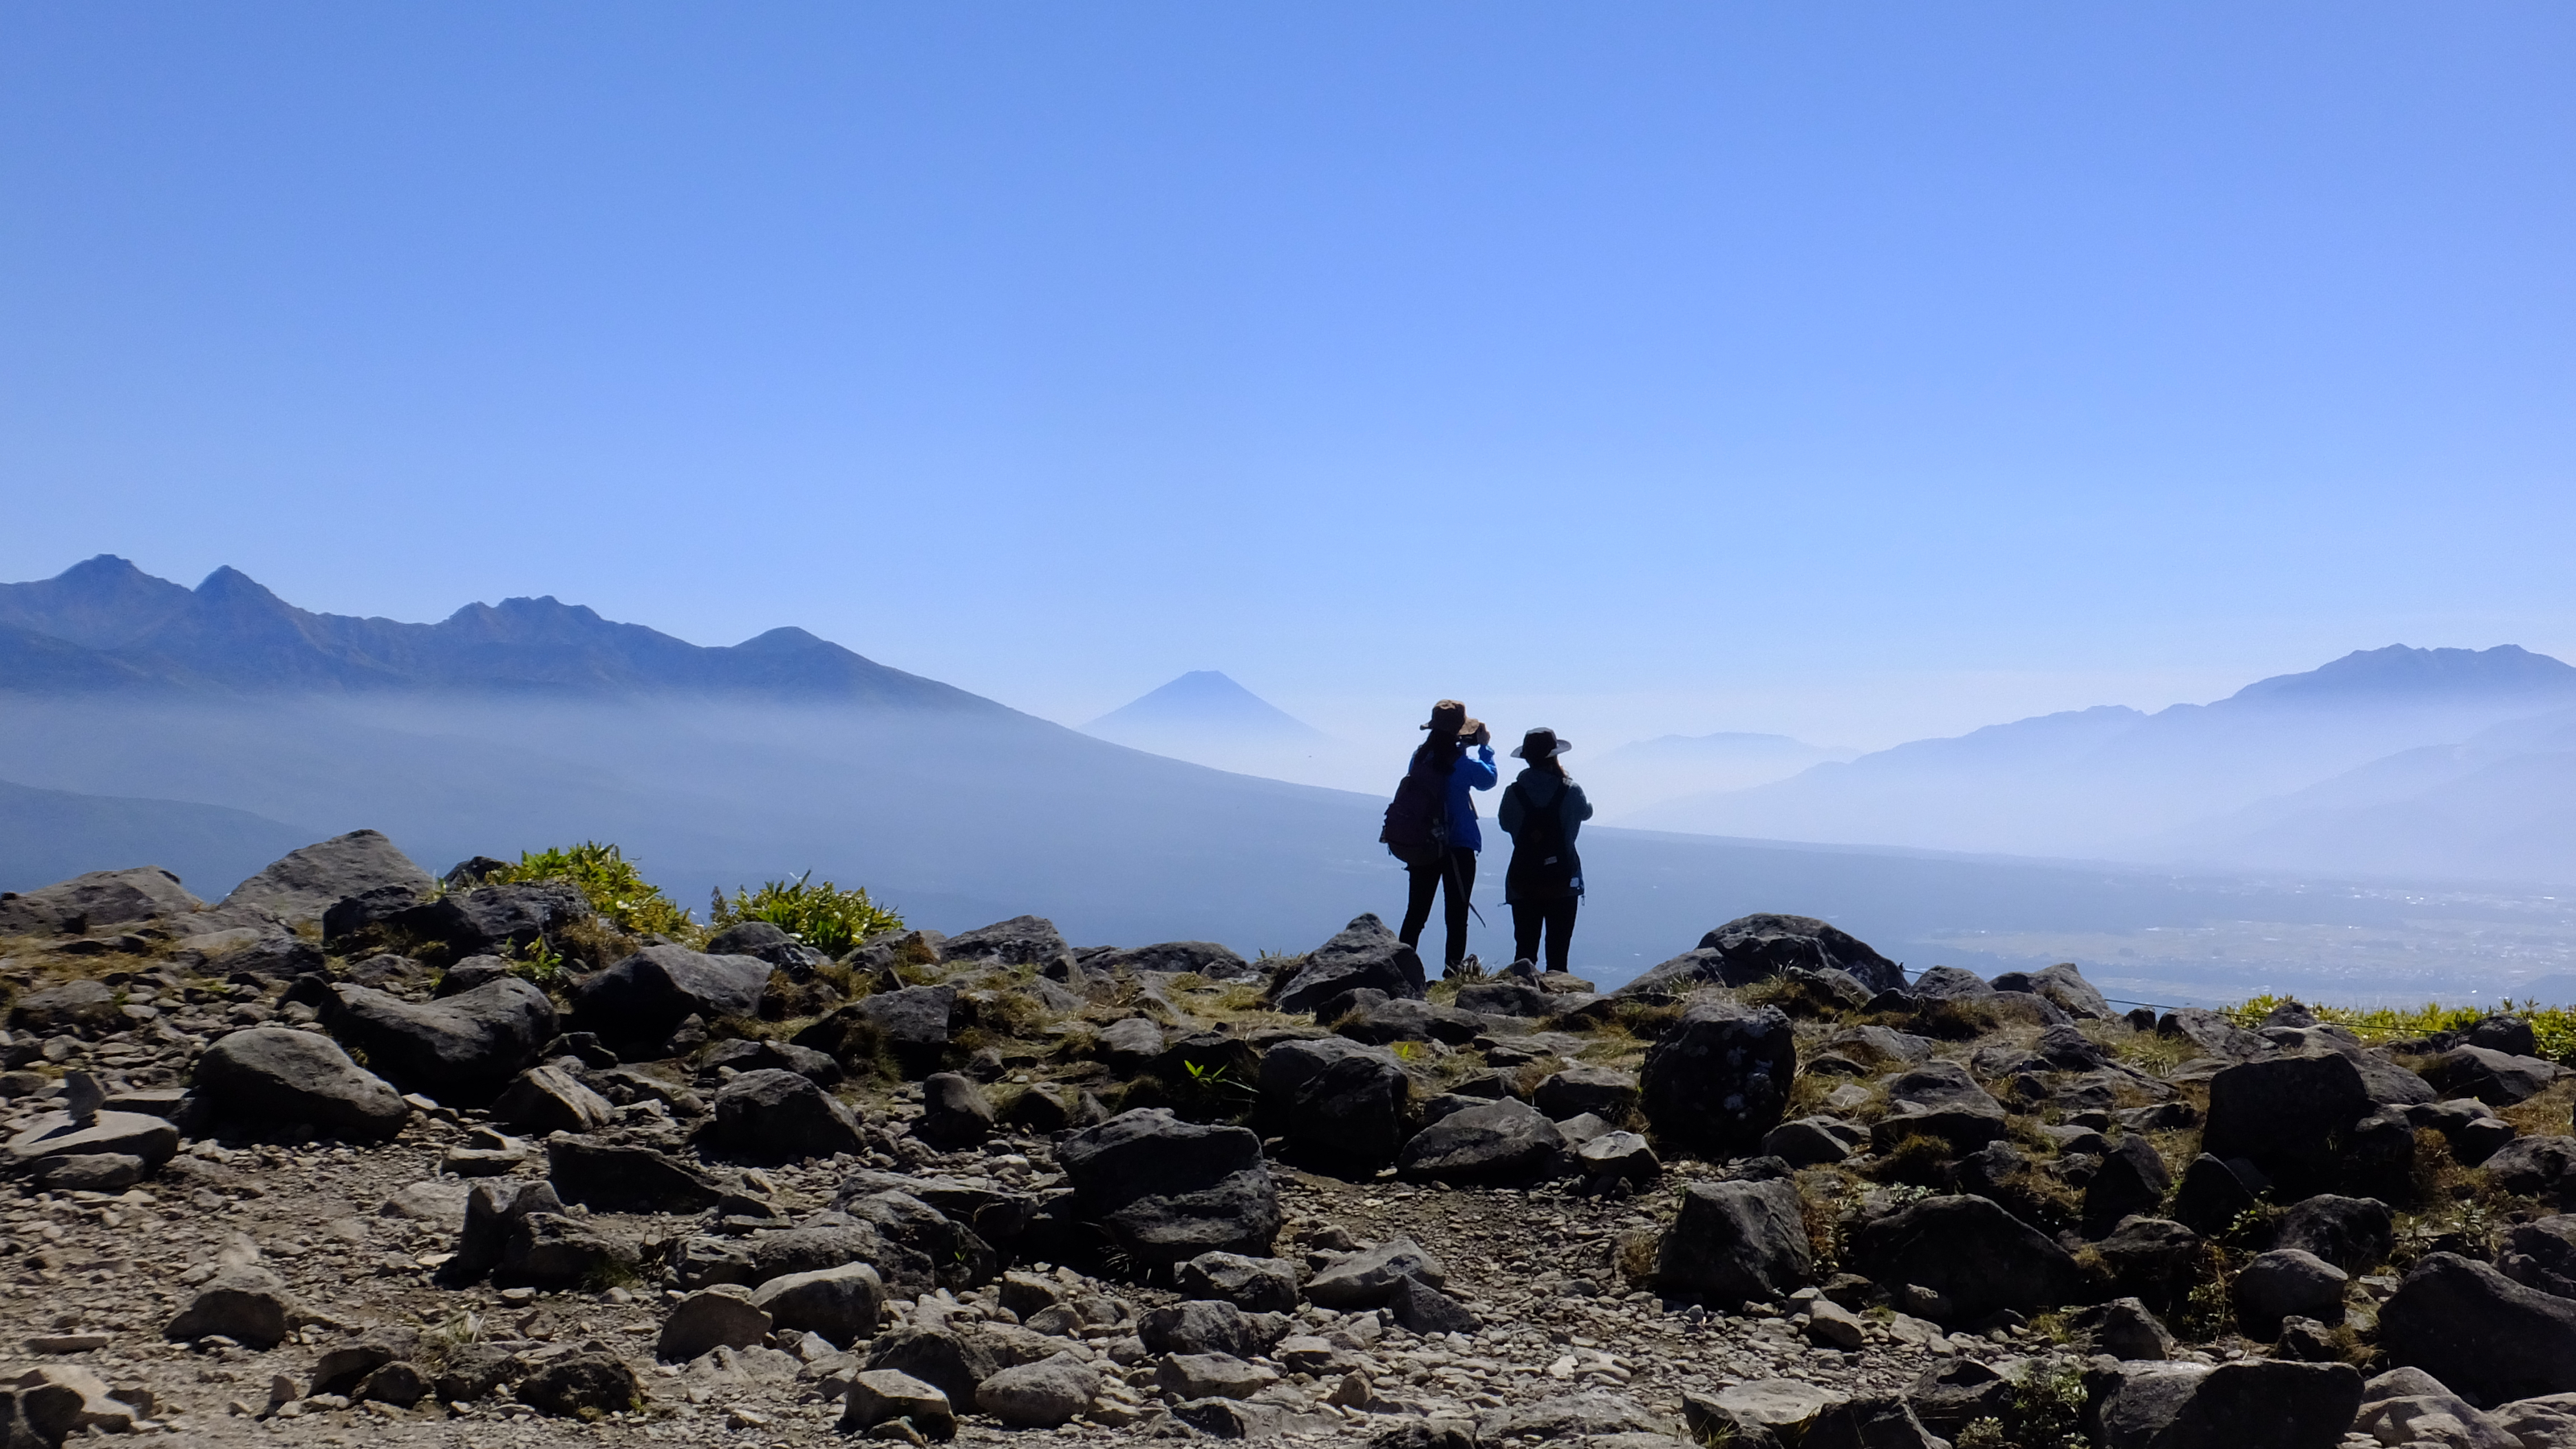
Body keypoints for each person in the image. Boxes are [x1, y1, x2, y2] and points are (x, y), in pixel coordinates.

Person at [1396, 699, 1497, 972]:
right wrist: (1485, 748)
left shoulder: (1420, 758)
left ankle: (1399, 969)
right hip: (1458, 846)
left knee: (1416, 913)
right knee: (1456, 915)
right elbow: (1488, 780)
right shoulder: (1461, 764)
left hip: (1424, 843)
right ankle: (1452, 972)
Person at [1497, 725, 1591, 972]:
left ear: (1527, 758)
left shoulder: (1513, 793)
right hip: (1563, 881)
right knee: (1558, 956)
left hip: (1523, 881)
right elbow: (1585, 812)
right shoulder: (1570, 791)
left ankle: (1520, 992)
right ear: (1554, 756)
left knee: (1525, 952)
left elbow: (1505, 824)